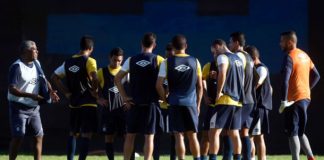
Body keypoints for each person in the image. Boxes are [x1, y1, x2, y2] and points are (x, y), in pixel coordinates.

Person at [51, 35, 104, 160]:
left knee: (73, 133)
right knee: (87, 133)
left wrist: (66, 93)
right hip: (88, 103)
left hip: (74, 103)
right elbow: (95, 78)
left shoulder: (68, 62)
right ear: (91, 48)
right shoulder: (90, 61)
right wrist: (94, 90)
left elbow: (54, 77)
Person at [114, 32, 164, 160]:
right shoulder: (159, 60)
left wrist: (125, 97)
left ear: (141, 44)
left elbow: (117, 79)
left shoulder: (131, 60)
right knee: (149, 137)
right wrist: (164, 96)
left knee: (130, 135)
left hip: (134, 103)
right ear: (154, 45)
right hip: (151, 103)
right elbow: (165, 82)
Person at [8, 40, 59, 160]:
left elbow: (43, 79)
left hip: (34, 108)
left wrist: (50, 90)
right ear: (26, 51)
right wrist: (31, 95)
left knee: (39, 136)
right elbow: (12, 89)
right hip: (18, 108)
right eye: (34, 49)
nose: (37, 51)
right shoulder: (17, 67)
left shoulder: (37, 63)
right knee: (18, 137)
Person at [156, 34, 203, 160]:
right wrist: (198, 105)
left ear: (173, 47)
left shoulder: (167, 62)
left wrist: (166, 99)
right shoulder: (195, 61)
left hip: (175, 103)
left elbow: (158, 85)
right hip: (191, 104)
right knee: (193, 135)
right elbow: (200, 86)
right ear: (186, 46)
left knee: (179, 136)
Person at [279, 31, 320, 160]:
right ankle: (311, 157)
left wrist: (283, 100)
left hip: (293, 100)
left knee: (293, 133)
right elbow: (317, 76)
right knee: (300, 132)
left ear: (289, 42)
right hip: (305, 98)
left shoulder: (290, 56)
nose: (280, 44)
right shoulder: (305, 55)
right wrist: (307, 89)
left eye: (282, 41)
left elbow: (285, 80)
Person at [207, 39, 244, 160]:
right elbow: (237, 78)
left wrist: (218, 92)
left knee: (213, 132)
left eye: (214, 52)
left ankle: (212, 158)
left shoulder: (222, 57)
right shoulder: (238, 58)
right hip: (237, 100)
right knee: (234, 132)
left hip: (225, 99)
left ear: (218, 46)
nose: (214, 55)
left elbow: (223, 73)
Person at [229, 32, 255, 160]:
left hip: (241, 100)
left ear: (236, 43)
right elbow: (256, 78)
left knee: (232, 131)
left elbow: (236, 78)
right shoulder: (249, 57)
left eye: (230, 42)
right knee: (244, 132)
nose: (229, 45)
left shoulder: (238, 56)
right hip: (250, 99)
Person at [97, 47, 127, 160]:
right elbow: (91, 87)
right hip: (108, 112)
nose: (117, 62)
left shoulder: (126, 72)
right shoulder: (101, 72)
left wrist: (128, 101)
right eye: (114, 60)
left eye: (119, 60)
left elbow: (132, 89)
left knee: (127, 137)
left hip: (123, 112)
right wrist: (98, 99)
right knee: (108, 138)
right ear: (110, 58)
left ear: (122, 59)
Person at [245, 45, 272, 160]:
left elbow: (258, 84)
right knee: (249, 136)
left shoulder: (261, 68)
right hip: (253, 107)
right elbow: (270, 88)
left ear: (252, 58)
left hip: (260, 107)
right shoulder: (252, 69)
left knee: (259, 137)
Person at [153, 43, 176, 160]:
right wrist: (164, 96)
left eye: (171, 52)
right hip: (161, 105)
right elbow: (158, 84)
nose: (169, 54)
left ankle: (174, 157)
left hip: (173, 105)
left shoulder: (177, 65)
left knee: (175, 134)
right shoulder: (162, 64)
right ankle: (155, 157)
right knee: (157, 134)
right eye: (167, 52)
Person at [200, 40, 220, 160]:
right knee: (206, 134)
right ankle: (203, 157)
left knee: (227, 135)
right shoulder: (209, 66)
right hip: (212, 107)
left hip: (224, 106)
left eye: (218, 52)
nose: (215, 55)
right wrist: (205, 96)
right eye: (214, 53)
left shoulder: (229, 65)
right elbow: (201, 80)